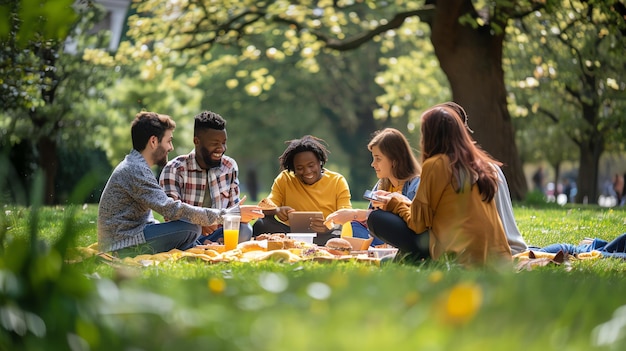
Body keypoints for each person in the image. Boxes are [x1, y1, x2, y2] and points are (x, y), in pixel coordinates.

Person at [97, 111, 264, 257]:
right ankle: (199, 246)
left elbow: (149, 220)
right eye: (169, 141)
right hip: (121, 244)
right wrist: (226, 214)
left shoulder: (136, 165)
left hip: (132, 235)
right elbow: (171, 209)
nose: (171, 147)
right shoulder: (135, 169)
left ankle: (199, 246)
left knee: (234, 230)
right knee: (191, 228)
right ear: (154, 142)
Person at [371, 104, 512, 266]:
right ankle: (402, 260)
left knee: (377, 219)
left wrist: (394, 202)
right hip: (498, 260)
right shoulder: (478, 164)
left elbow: (418, 223)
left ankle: (413, 261)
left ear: (431, 136)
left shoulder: (437, 164)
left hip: (460, 259)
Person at [252, 135, 368, 245]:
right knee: (261, 224)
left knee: (343, 234)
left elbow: (346, 216)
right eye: (300, 168)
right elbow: (263, 207)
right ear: (293, 169)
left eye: (311, 165)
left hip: (326, 235)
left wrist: (329, 226)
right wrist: (277, 210)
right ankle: (288, 244)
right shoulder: (285, 178)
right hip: (291, 235)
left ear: (320, 162)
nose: (307, 171)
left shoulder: (337, 180)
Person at [159, 110, 252, 245]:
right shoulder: (174, 169)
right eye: (215, 143)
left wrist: (241, 214)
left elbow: (233, 209)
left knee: (245, 230)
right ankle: (205, 246)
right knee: (183, 230)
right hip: (189, 233)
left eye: (223, 142)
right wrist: (201, 223)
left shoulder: (229, 166)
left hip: (220, 232)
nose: (221, 148)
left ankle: (216, 245)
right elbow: (170, 214)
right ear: (197, 141)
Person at [325, 128, 423, 248]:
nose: (373, 164)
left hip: (405, 239)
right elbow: (370, 222)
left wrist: (356, 213)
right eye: (373, 158)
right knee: (352, 225)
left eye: (378, 159)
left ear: (395, 160)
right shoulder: (382, 184)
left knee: (366, 219)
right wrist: (348, 216)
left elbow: (413, 223)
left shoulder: (415, 185)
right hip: (381, 237)